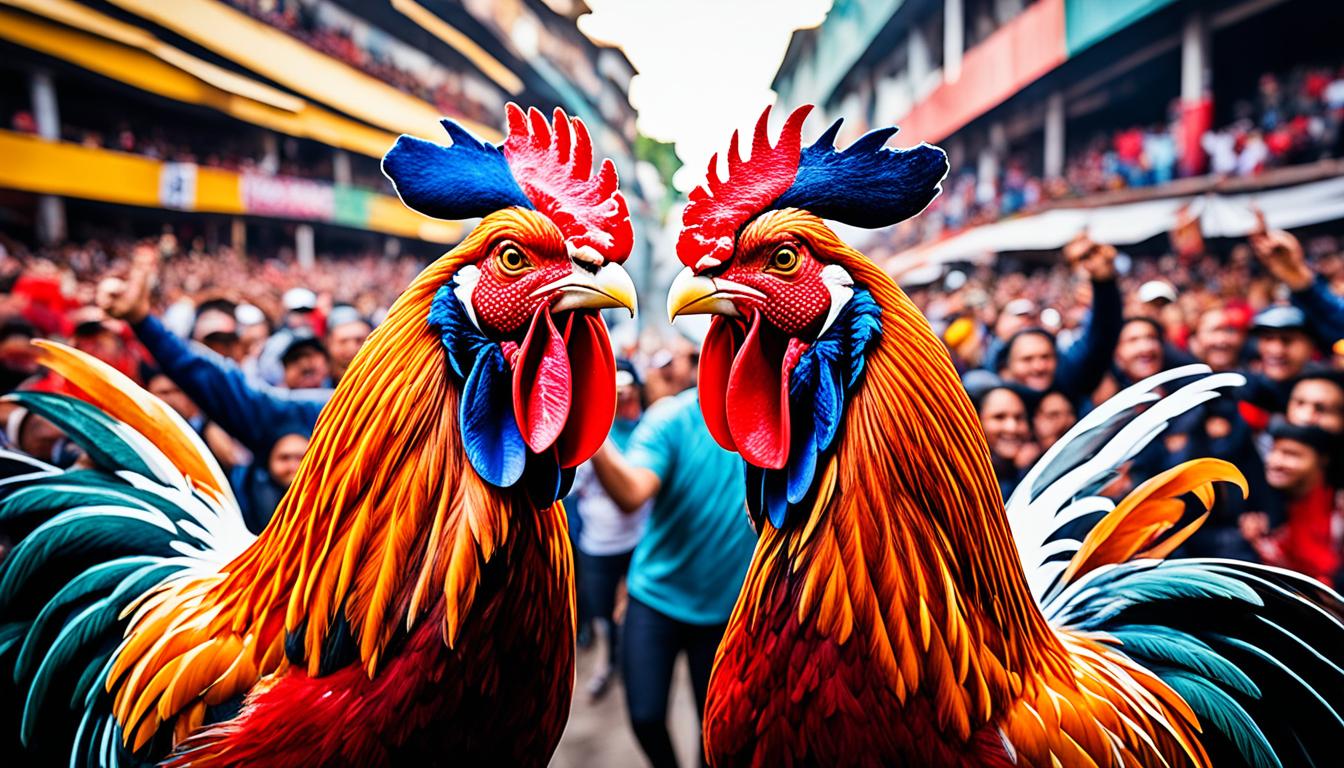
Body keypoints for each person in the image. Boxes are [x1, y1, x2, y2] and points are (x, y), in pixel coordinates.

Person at [588, 383, 755, 768]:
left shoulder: (772, 416)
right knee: (646, 717)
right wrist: (591, 432)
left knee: (715, 733)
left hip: (725, 611)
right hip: (656, 599)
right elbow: (631, 494)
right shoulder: (671, 420)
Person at [571, 360, 650, 700]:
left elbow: (637, 494)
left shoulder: (649, 430)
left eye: (628, 388)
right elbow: (570, 488)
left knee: (636, 615)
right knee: (604, 612)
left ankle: (634, 664)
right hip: (598, 546)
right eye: (614, 391)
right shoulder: (589, 435)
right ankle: (610, 661)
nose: (623, 396)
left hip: (640, 542)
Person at [996, 234, 1122, 409]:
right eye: (1027, 359)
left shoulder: (1069, 382)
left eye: (1046, 357)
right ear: (1006, 367)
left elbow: (1102, 338)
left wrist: (1104, 284)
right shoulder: (989, 398)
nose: (1039, 366)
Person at [1240, 420, 1342, 587]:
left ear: (1322, 460)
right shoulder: (1257, 508)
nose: (1274, 462)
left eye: (1291, 454)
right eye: (1273, 450)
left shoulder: (1337, 511)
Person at [971, 384, 1037, 501]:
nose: (1012, 428)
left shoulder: (1039, 467)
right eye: (999, 417)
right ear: (978, 422)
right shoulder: (967, 475)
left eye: (1019, 417)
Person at [324, 305, 372, 385]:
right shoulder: (318, 382)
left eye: (359, 340)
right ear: (329, 343)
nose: (352, 348)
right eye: (343, 342)